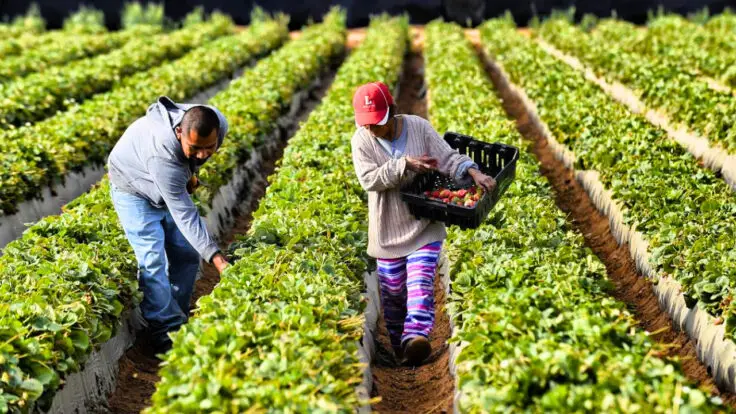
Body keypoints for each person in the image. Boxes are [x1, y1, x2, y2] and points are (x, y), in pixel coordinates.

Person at [350, 82, 496, 365]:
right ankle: (399, 347)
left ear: (391, 112)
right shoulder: (361, 141)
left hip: (423, 225)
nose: (371, 129)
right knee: (392, 295)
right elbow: (369, 179)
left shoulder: (418, 128)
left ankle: (416, 336)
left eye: (377, 123)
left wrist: (473, 172)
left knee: (420, 282)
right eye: (366, 124)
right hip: (387, 230)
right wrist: (405, 164)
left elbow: (448, 157)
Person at [107, 96, 231, 353]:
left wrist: (193, 170)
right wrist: (218, 259)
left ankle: (178, 315)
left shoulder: (219, 124)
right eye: (195, 148)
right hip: (132, 188)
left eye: (209, 147)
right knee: (152, 260)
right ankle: (166, 334)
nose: (203, 154)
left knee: (186, 252)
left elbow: (194, 159)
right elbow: (185, 215)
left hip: (166, 180)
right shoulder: (161, 154)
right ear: (178, 133)